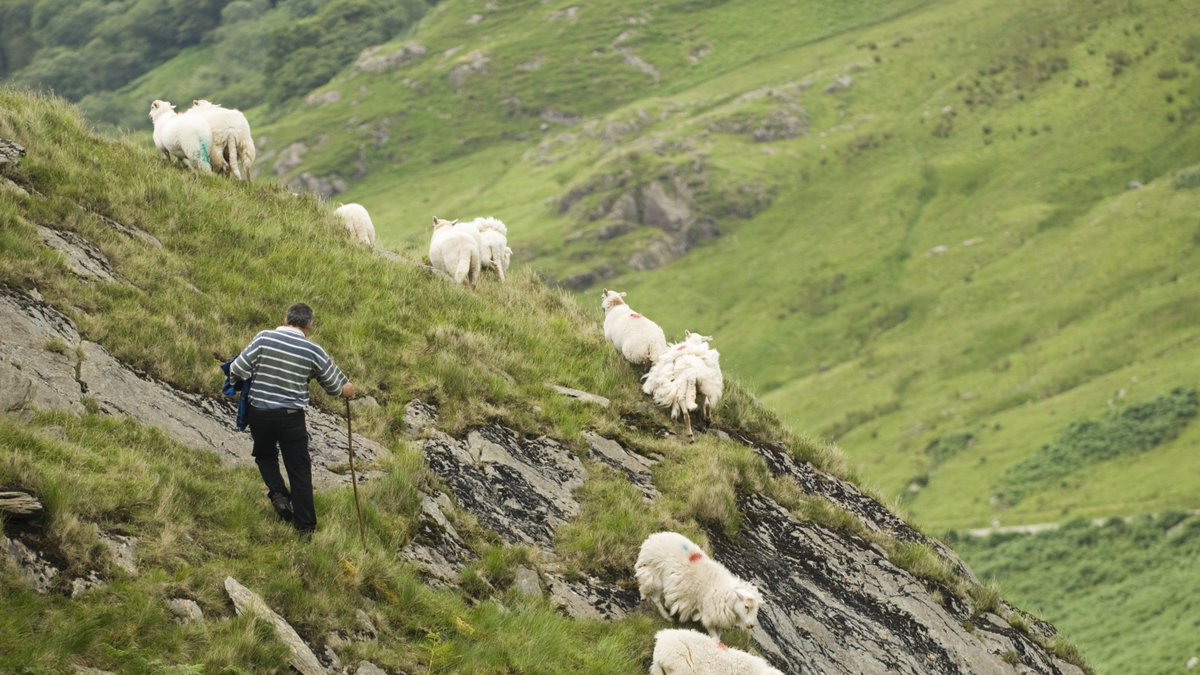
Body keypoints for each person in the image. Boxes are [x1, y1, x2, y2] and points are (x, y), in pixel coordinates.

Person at [228, 302, 353, 537]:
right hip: (291, 418)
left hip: (259, 413)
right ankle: (305, 527)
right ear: (309, 325)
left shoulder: (263, 338)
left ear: (286, 319)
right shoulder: (313, 351)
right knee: (299, 468)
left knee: (264, 455)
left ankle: (278, 494)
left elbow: (238, 368)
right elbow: (337, 387)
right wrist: (348, 389)